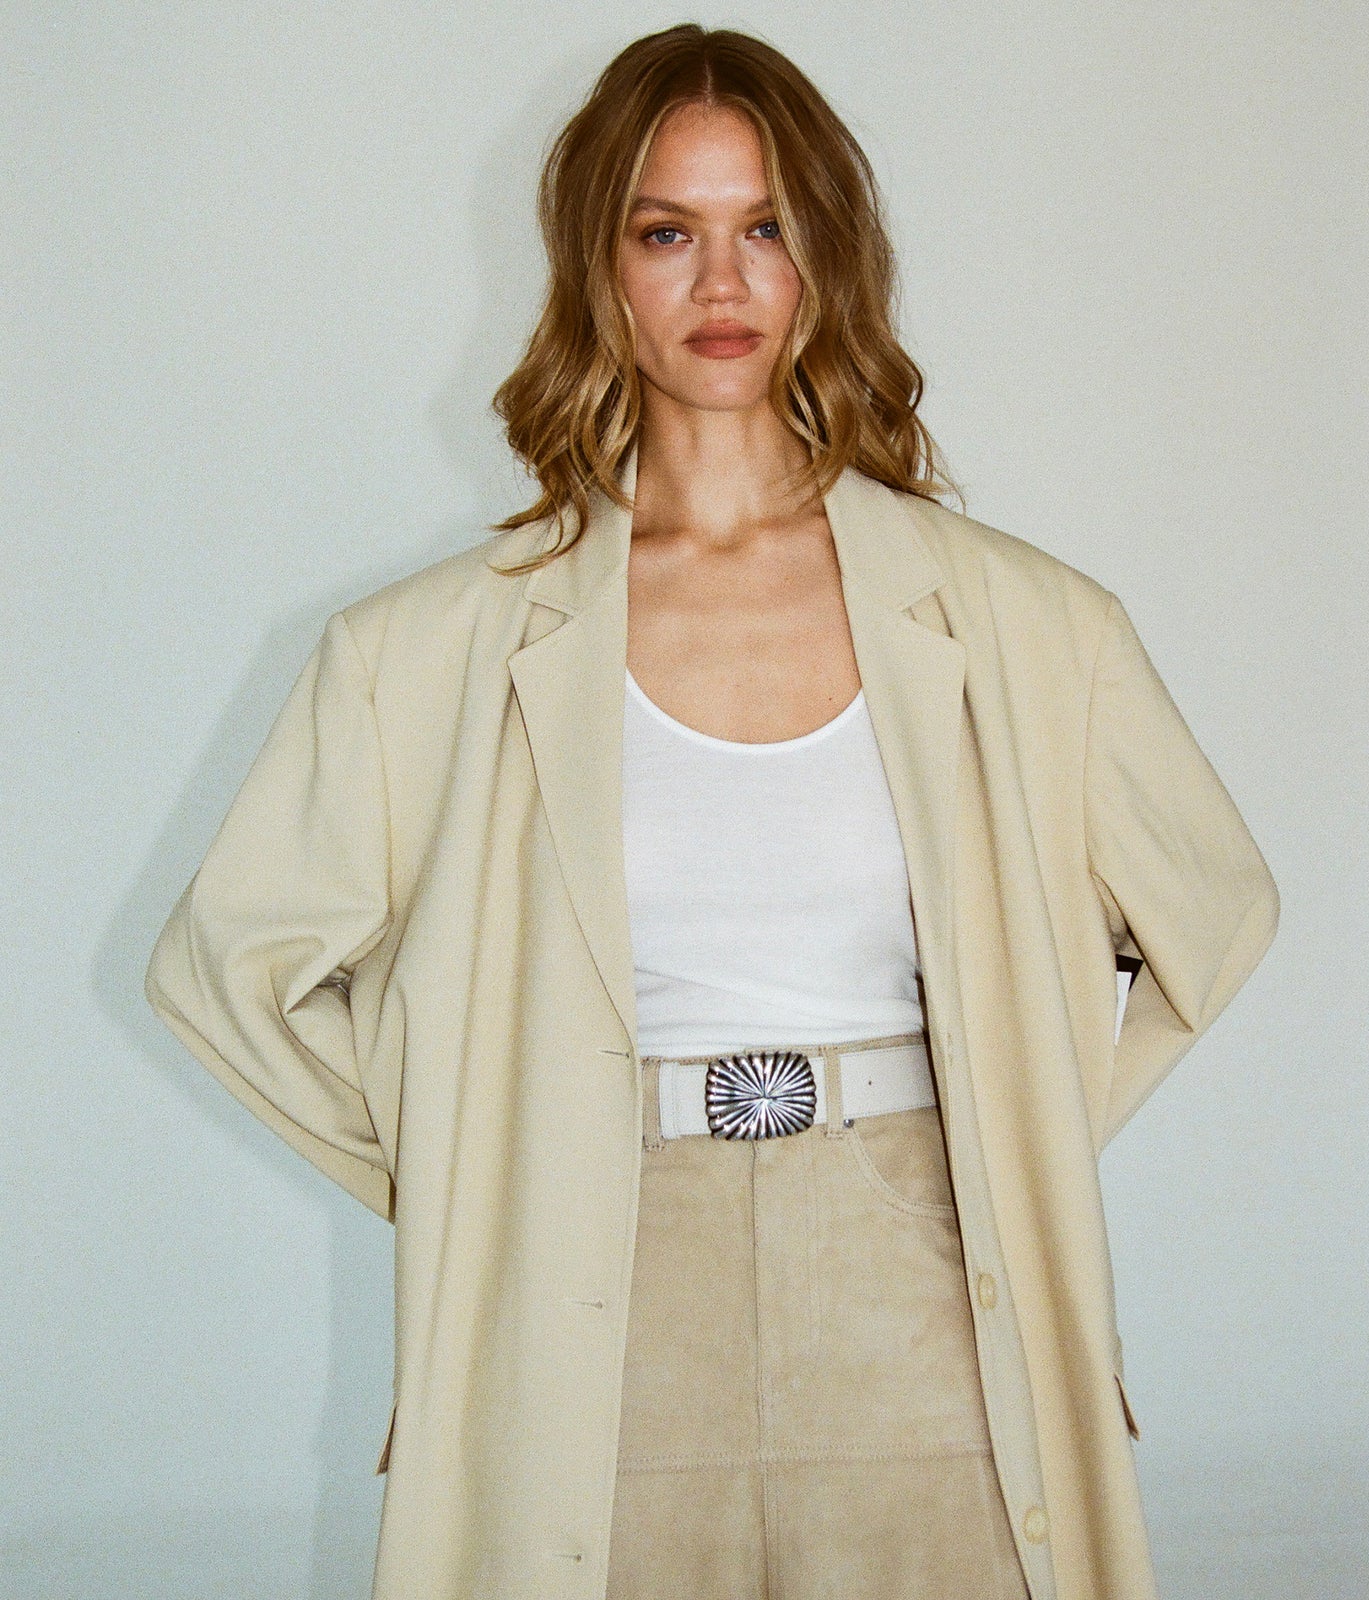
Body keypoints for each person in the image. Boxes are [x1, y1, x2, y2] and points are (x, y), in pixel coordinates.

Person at [144, 25, 1277, 1600]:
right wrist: (495, 1164)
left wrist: (1007, 1132)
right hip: (598, 1298)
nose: (721, 282)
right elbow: (226, 970)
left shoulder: (1028, 623)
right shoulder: (429, 649)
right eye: (668, 232)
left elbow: (1216, 916)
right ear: (597, 268)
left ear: (827, 258)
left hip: (916, 1279)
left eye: (765, 229)